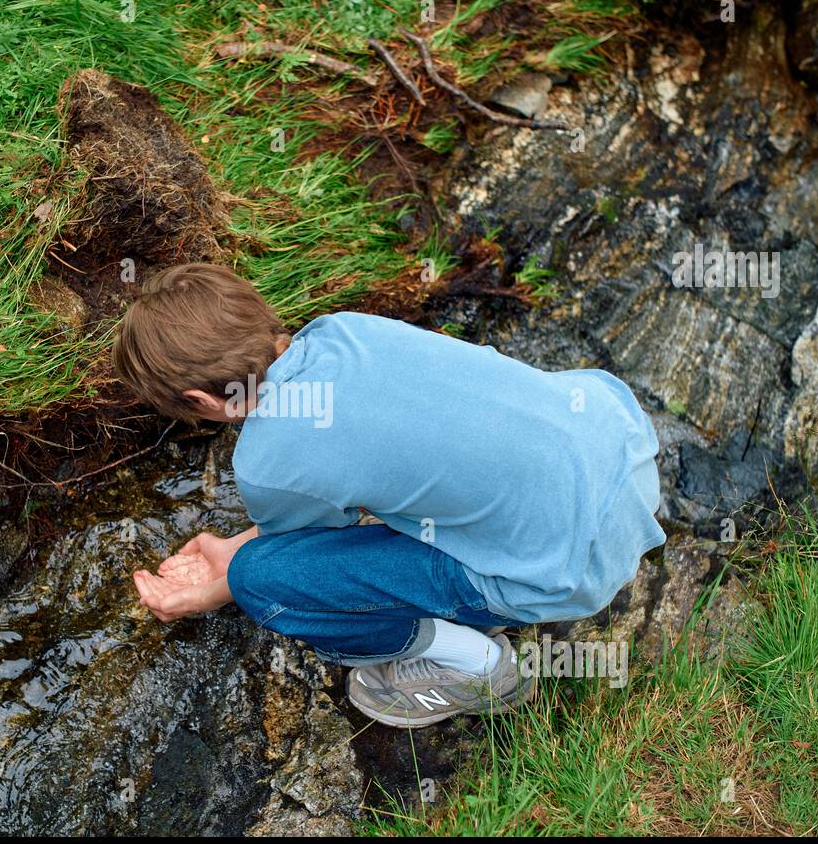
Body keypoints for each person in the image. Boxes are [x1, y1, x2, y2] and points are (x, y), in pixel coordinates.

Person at [115, 263, 666, 728]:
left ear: (198, 399)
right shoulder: (345, 329)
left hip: (568, 569)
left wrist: (215, 587)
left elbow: (299, 550)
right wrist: (228, 545)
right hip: (622, 457)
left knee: (261, 579)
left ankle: (479, 669)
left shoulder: (265, 459)